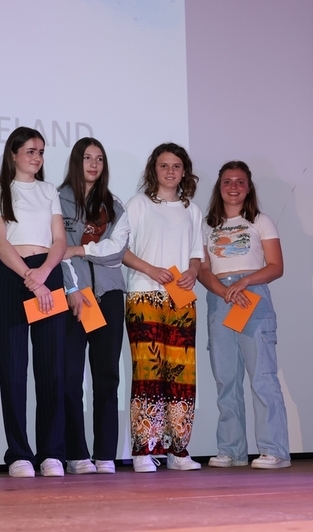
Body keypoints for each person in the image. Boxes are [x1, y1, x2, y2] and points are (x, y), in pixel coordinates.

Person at [197, 161, 291, 470]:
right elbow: (203, 270)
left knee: (263, 378)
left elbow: (276, 266)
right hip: (220, 298)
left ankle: (275, 450)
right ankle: (232, 450)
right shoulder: (206, 225)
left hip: (253, 296)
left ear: (248, 188)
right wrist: (224, 290)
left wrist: (244, 282)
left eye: (240, 181)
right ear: (219, 187)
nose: (233, 187)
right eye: (227, 181)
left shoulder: (261, 221)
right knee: (227, 380)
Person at [0, 126, 67, 478]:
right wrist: (28, 276)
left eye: (41, 152)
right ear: (14, 154)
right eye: (31, 151)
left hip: (48, 276)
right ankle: (19, 453)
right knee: (13, 371)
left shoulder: (49, 191)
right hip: (13, 277)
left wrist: (44, 272)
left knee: (52, 369)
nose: (37, 158)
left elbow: (59, 240)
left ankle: (51, 452)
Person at [122, 143, 204, 472]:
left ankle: (177, 450)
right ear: (153, 170)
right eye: (164, 165)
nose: (170, 171)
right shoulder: (138, 204)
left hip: (180, 299)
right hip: (144, 295)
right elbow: (120, 249)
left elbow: (196, 254)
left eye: (176, 166)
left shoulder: (192, 210)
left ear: (185, 172)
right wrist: (150, 269)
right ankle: (143, 449)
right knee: (148, 372)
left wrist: (193, 272)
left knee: (182, 375)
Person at [59, 138, 126, 475]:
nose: (94, 164)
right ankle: (76, 453)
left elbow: (117, 250)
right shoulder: (57, 200)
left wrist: (82, 250)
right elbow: (58, 250)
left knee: (107, 378)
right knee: (71, 378)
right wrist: (72, 287)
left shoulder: (114, 205)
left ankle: (105, 454)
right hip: (75, 297)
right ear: (77, 161)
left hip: (109, 296)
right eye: (87, 158)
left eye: (99, 159)